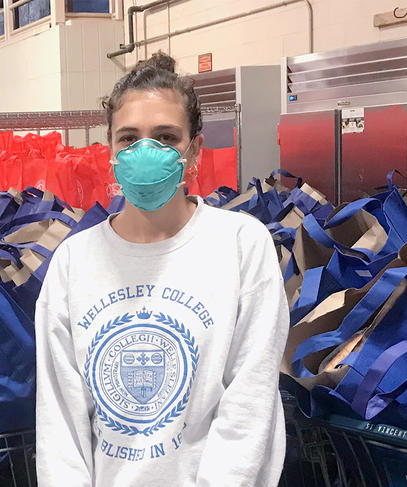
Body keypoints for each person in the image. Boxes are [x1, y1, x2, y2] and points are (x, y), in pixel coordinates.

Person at [35, 52, 289, 486]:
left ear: (195, 150)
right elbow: (61, 421)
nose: (145, 152)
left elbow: (250, 400)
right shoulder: (74, 262)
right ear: (109, 149)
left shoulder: (240, 245)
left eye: (166, 137)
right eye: (129, 138)